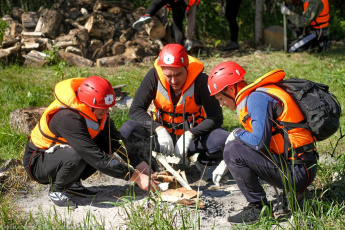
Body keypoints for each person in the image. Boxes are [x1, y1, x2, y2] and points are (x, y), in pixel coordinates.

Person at [23, 76, 159, 208]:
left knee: (104, 144)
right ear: (88, 105)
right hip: (38, 162)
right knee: (77, 156)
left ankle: (72, 184)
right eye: (103, 107)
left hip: (63, 153)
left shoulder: (100, 112)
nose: (107, 111)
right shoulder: (67, 118)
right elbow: (94, 156)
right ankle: (57, 190)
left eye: (108, 106)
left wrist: (139, 164)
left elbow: (114, 142)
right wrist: (136, 177)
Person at [208, 62, 318, 223]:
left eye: (220, 98)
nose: (221, 104)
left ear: (231, 89)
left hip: (298, 173)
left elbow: (258, 142)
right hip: (303, 166)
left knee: (232, 149)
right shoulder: (260, 95)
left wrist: (235, 133)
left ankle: (258, 209)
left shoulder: (256, 99)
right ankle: (296, 194)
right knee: (237, 145)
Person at [120, 44, 229, 179]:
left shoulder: (201, 81)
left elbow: (216, 117)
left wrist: (190, 134)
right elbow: (135, 110)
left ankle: (203, 162)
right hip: (161, 138)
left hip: (192, 139)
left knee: (223, 138)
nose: (174, 80)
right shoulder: (153, 77)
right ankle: (149, 166)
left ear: (187, 67)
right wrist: (158, 129)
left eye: (178, 74)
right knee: (127, 129)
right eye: (168, 76)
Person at [132, 0, 199, 51]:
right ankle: (180, 50)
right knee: (178, 27)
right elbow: (191, 19)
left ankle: (146, 15)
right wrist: (189, 38)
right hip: (181, 3)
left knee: (155, 3)